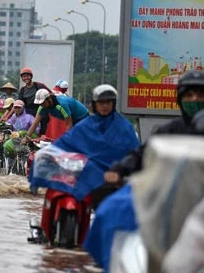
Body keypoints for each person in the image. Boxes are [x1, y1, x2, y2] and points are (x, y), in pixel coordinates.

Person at [85, 70, 204, 272]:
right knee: (111, 210)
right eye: (189, 95)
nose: (195, 100)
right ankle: (108, 262)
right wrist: (119, 169)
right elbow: (141, 154)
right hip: (166, 194)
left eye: (201, 96)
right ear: (180, 99)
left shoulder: (122, 125)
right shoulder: (168, 130)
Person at [21, 89, 89, 142]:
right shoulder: (42, 107)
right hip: (73, 119)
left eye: (43, 103)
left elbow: (69, 124)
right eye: (40, 104)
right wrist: (26, 138)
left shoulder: (61, 105)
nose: (42, 105)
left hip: (82, 116)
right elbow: (35, 123)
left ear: (49, 99)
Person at [18, 67, 52, 134]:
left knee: (43, 128)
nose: (25, 78)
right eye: (24, 77)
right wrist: (7, 116)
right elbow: (19, 103)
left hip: (41, 109)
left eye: (27, 76)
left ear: (31, 76)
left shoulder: (39, 85)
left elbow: (50, 94)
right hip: (29, 113)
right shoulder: (22, 90)